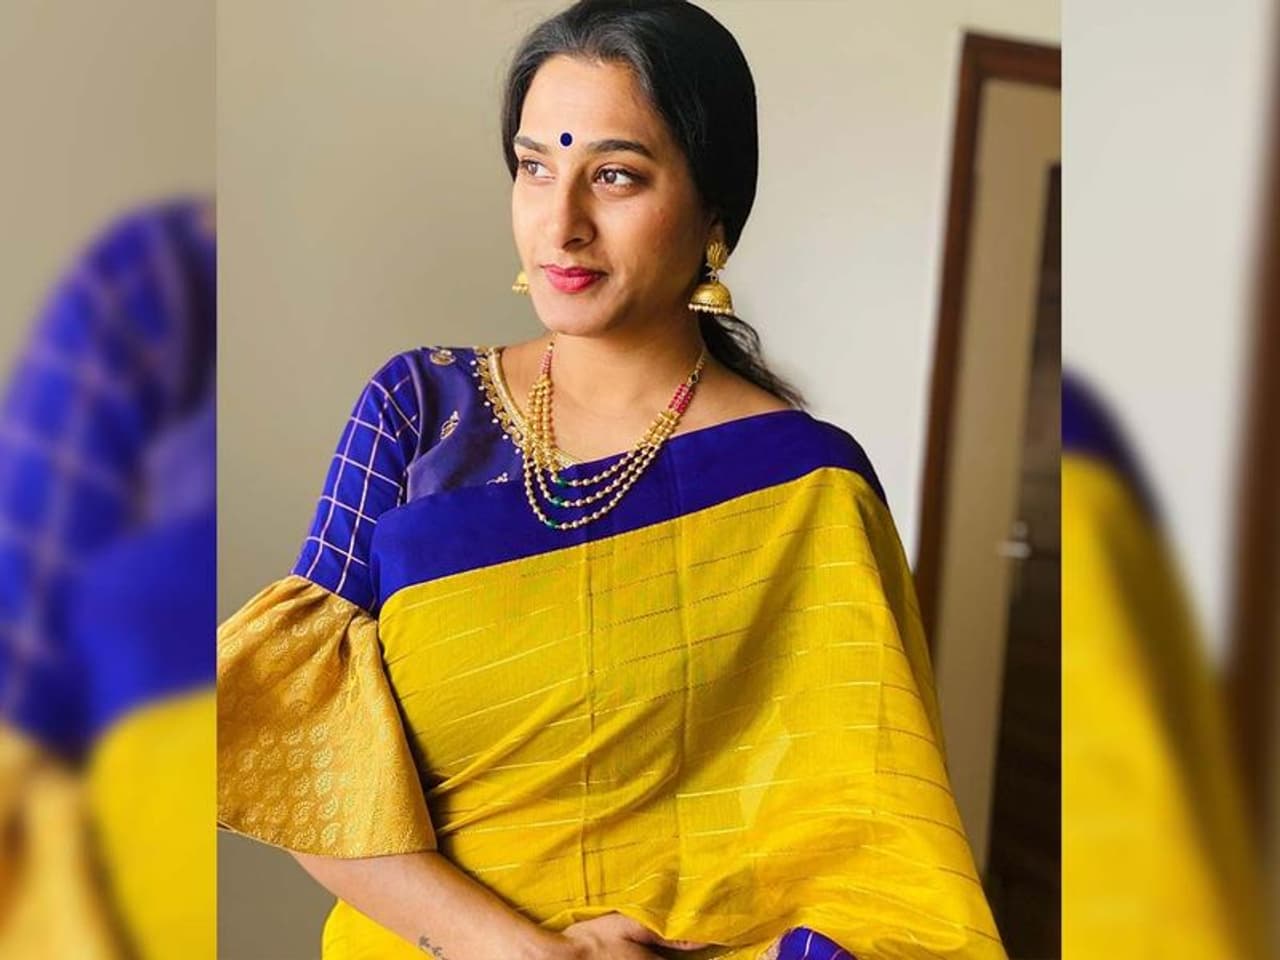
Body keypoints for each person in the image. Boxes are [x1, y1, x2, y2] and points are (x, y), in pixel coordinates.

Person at [217, 2, 1005, 957]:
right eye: (534, 168)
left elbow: (873, 854)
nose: (562, 224)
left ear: (714, 213)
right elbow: (303, 759)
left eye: (616, 175)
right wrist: (524, 952)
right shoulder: (417, 410)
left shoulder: (802, 485)